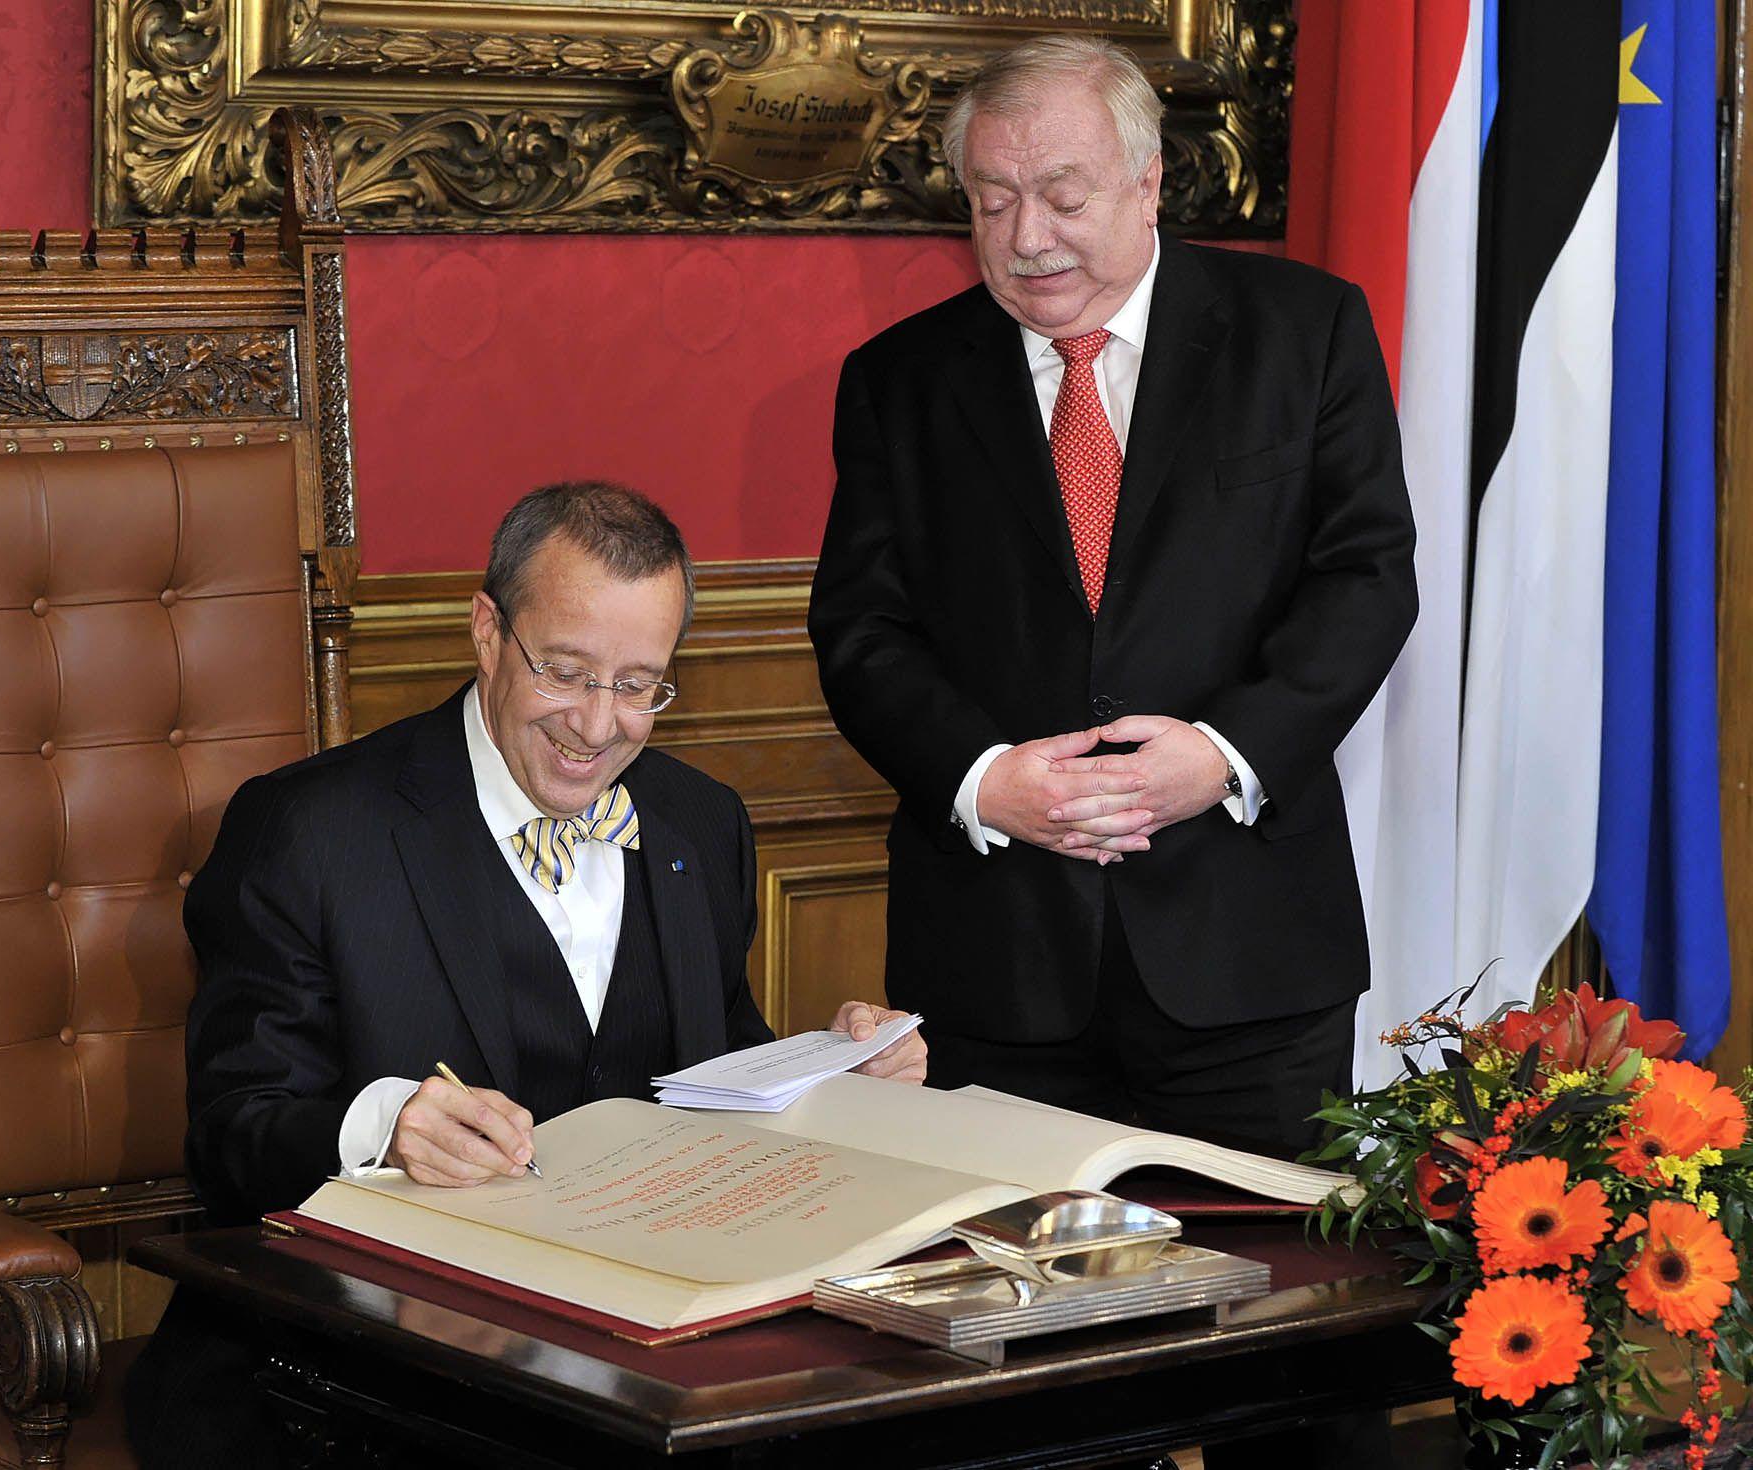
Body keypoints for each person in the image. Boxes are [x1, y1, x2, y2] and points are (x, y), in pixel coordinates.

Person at [806, 34, 1416, 1469]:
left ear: (1150, 181)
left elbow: (1365, 577)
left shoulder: (1305, 329)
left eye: (1063, 193)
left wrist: (1223, 752)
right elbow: (864, 633)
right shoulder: (898, 379)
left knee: (1295, 1365)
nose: (1027, 237)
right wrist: (983, 780)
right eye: (992, 199)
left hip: (1246, 961)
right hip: (1000, 971)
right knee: (1026, 1392)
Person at [128, 482, 925, 1467]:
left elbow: (715, 1074)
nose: (596, 726)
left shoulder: (696, 821)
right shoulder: (307, 833)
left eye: (639, 684)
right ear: (486, 632)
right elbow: (231, 1140)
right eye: (565, 671)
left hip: (633, 1368)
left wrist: (827, 1075)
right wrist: (384, 1127)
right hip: (347, 1370)